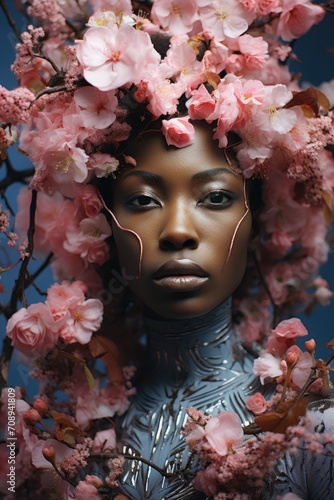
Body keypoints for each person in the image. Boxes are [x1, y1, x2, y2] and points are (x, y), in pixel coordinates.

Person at [1, 1, 334, 499]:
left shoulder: (314, 431)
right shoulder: (58, 439)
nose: (178, 230)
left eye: (216, 198)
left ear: (258, 220)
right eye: (142, 200)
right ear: (101, 225)